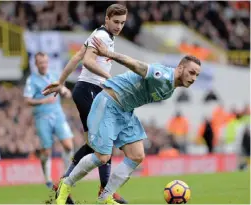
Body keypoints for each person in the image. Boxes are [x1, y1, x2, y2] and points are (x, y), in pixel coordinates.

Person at [54, 37, 201, 204]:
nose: (194, 77)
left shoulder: (171, 89)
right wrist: (109, 53)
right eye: (191, 72)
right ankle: (65, 184)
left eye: (197, 74)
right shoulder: (164, 76)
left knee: (137, 155)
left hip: (125, 111)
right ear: (180, 67)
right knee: (102, 157)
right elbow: (137, 65)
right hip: (108, 104)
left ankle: (105, 196)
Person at [42, 4, 128, 204]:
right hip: (90, 90)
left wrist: (61, 81)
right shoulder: (103, 36)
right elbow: (87, 62)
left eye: (122, 23)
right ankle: (103, 192)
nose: (119, 26)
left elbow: (77, 57)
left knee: (94, 145)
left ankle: (65, 185)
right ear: (107, 18)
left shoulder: (99, 34)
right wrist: (110, 78)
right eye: (116, 22)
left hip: (87, 91)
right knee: (103, 142)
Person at [23, 52, 74, 190]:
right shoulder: (32, 80)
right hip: (42, 117)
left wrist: (66, 92)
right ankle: (48, 179)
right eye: (41, 62)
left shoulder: (54, 75)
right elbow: (27, 100)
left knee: (69, 145)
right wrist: (43, 101)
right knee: (46, 150)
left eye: (45, 62)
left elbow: (64, 90)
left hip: (58, 115)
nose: (44, 65)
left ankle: (66, 176)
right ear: (36, 64)